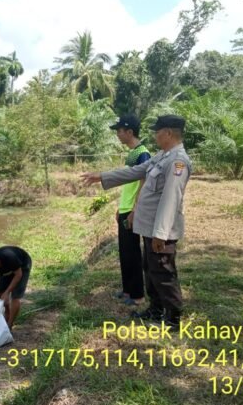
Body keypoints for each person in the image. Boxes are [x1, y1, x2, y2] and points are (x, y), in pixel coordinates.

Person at [81, 115, 192, 330]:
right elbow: (135, 172)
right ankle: (156, 309)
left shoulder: (178, 161)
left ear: (168, 133)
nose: (154, 135)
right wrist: (102, 177)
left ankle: (173, 319)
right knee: (150, 270)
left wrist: (161, 233)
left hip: (161, 230)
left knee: (163, 272)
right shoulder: (162, 156)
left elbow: (170, 200)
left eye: (157, 131)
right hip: (149, 227)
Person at [109, 115, 151, 306]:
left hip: (133, 210)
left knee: (132, 252)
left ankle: (138, 295)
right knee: (125, 252)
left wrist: (135, 209)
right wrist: (121, 206)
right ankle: (128, 290)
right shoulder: (133, 153)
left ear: (130, 132)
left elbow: (144, 182)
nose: (118, 134)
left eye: (120, 131)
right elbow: (129, 183)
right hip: (125, 208)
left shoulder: (143, 153)